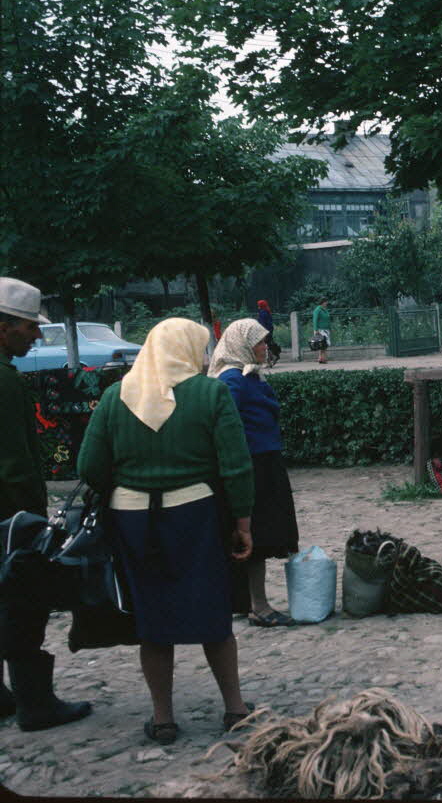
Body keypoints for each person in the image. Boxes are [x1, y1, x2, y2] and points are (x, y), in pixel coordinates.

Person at [78, 318, 255, 745]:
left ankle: (163, 719)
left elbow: (88, 468)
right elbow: (236, 465)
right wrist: (243, 523)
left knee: (153, 619)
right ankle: (234, 710)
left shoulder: (115, 396)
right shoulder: (210, 393)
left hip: (133, 522)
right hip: (195, 515)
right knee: (213, 613)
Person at [0, 277, 93, 731]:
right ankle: (35, 704)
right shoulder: (6, 382)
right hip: (7, 517)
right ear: (3, 328)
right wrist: (35, 523)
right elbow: (16, 465)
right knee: (22, 604)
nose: (36, 335)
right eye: (28, 327)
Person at [210, 319, 299, 627]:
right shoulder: (233, 379)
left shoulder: (248, 374)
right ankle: (258, 605)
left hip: (264, 461)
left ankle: (245, 601)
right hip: (252, 466)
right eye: (259, 342)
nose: (265, 347)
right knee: (256, 536)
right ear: (243, 344)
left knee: (257, 534)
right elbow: (228, 428)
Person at [255, 299, 281, 365]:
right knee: (268, 344)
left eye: (259, 305)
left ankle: (271, 358)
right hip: (269, 330)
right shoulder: (267, 311)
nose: (258, 306)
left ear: (261, 305)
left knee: (263, 344)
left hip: (264, 330)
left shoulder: (262, 312)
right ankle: (274, 356)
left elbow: (262, 323)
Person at [312, 299, 331, 364]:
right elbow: (315, 320)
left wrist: (329, 328)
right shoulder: (318, 310)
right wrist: (315, 329)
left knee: (324, 344)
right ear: (322, 302)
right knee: (323, 344)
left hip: (326, 329)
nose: (327, 303)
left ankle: (320, 358)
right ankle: (323, 359)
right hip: (320, 330)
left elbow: (327, 319)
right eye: (326, 302)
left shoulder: (325, 310)